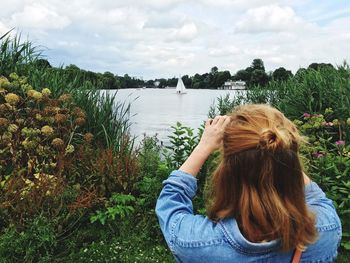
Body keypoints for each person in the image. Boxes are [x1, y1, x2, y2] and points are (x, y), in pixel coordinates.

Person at [156, 104, 341, 263]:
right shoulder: (325, 230)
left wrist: (204, 146)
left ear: (227, 170)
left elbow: (171, 202)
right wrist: (281, 153)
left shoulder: (198, 243)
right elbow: (313, 195)